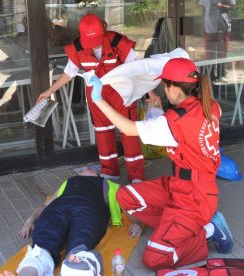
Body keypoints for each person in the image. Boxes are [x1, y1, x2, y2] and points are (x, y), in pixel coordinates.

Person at [87, 57, 234, 270]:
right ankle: (174, 229)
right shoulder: (211, 105)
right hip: (182, 186)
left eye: (164, 86)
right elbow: (185, 130)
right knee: (124, 196)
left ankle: (209, 230)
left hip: (194, 199)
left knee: (154, 260)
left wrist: (99, 100)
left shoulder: (173, 120)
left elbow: (128, 129)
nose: (164, 91)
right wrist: (160, 116)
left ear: (174, 88)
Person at [37, 13, 145, 183]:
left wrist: (151, 92)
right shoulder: (78, 47)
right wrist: (49, 91)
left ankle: (136, 177)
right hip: (97, 98)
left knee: (129, 134)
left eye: (95, 40)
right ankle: (110, 174)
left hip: (122, 96)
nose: (92, 45)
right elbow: (68, 73)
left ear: (103, 31)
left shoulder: (117, 42)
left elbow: (139, 69)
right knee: (103, 136)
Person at [0, 169, 143, 276]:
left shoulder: (109, 185)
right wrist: (29, 221)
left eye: (87, 167)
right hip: (59, 208)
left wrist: (138, 223)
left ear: (97, 173)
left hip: (90, 209)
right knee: (43, 241)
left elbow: (129, 207)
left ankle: (77, 265)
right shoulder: (69, 181)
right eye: (81, 169)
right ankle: (32, 267)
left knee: (80, 241)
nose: (84, 168)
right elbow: (45, 205)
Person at [199, 0, 235, 83]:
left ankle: (221, 75)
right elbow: (203, 8)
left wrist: (221, 6)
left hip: (222, 25)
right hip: (208, 26)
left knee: (222, 51)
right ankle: (210, 76)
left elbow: (232, 7)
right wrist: (203, 24)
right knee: (209, 52)